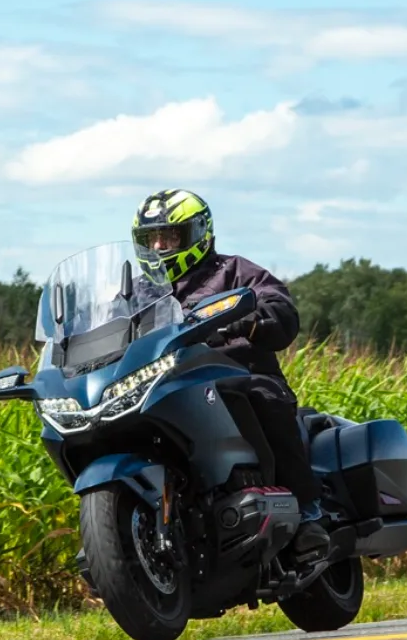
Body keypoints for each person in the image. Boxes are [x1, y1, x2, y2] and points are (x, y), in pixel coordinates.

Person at [130, 188, 330, 559]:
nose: (159, 245)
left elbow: (279, 309)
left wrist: (248, 321)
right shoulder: (137, 295)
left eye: (170, 236)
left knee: (263, 398)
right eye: (151, 238)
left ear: (197, 234)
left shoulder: (233, 271)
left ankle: (307, 512)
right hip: (165, 386)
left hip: (237, 373)